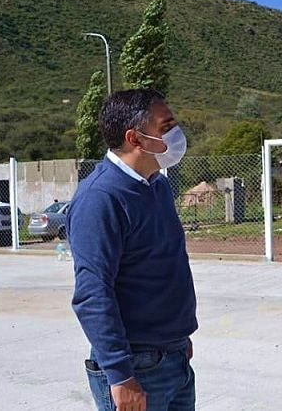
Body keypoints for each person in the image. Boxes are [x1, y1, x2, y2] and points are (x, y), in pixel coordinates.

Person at [68, 89, 197, 411]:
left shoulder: (158, 185)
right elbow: (92, 293)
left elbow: (163, 265)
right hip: (137, 366)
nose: (176, 133)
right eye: (166, 126)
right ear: (135, 138)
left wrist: (178, 339)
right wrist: (120, 375)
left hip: (174, 355)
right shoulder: (100, 198)